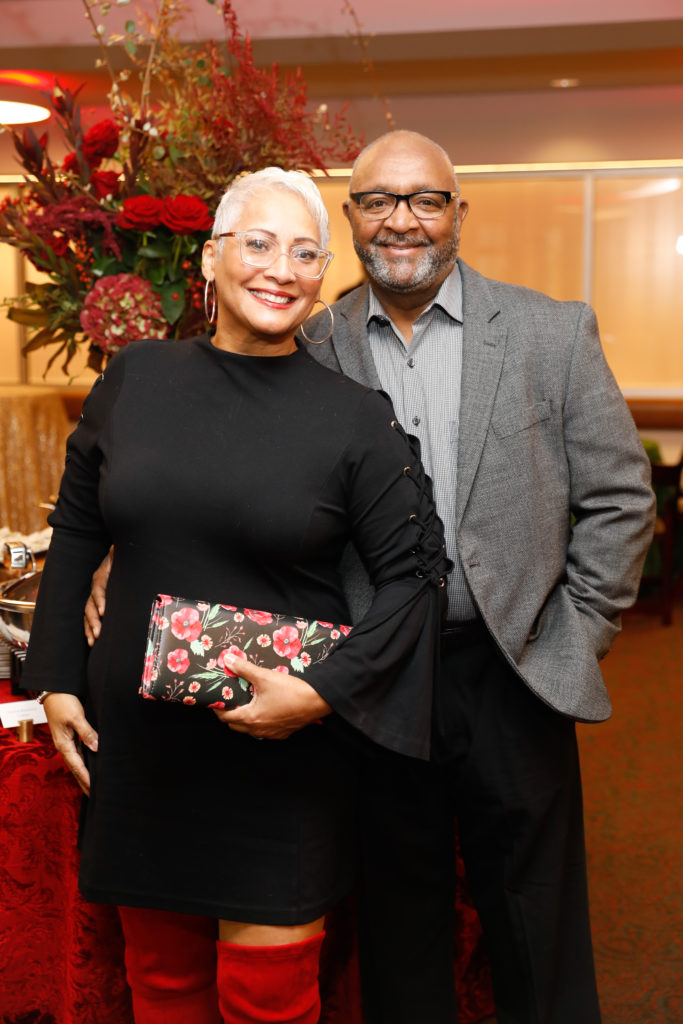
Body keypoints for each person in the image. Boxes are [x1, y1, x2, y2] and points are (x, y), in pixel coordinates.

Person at [84, 134, 656, 1024]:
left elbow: (621, 500)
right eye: (377, 201)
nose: (402, 219)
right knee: (400, 925)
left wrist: (574, 632)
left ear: (458, 215)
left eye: (426, 200)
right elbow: (218, 466)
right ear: (349, 220)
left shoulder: (550, 330)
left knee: (535, 922)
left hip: (513, 670)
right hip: (375, 676)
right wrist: (127, 549)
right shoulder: (305, 337)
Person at [21, 165, 451, 1024]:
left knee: (270, 1001)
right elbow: (76, 531)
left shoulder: (352, 416)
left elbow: (416, 578)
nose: (279, 269)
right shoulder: (135, 379)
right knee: (162, 987)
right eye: (257, 244)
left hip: (281, 757)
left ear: (322, 276)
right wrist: (57, 677)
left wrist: (319, 694)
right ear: (212, 259)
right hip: (140, 744)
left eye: (303, 253)